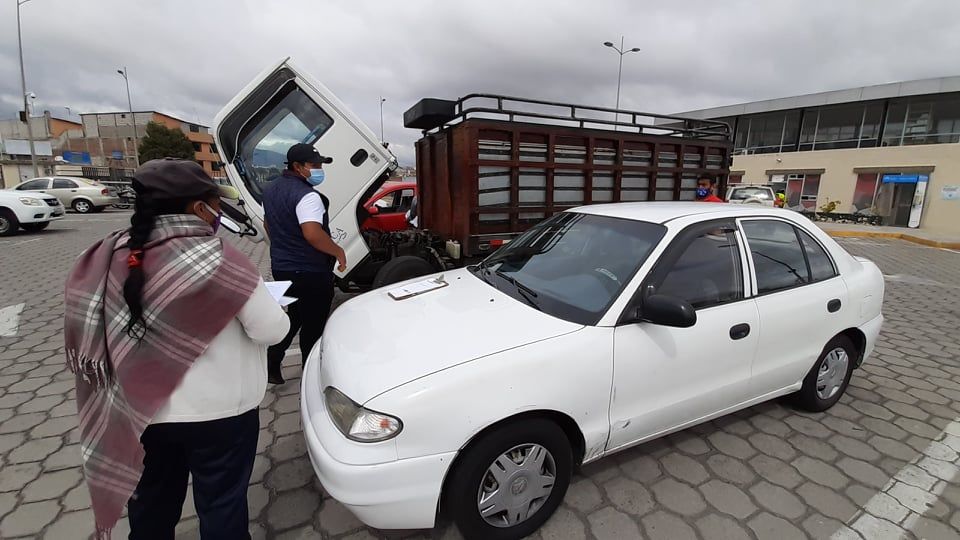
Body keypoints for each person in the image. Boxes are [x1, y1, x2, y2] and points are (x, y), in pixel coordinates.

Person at [64, 158, 290, 539]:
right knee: (222, 508)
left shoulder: (111, 255)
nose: (218, 212)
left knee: (152, 507)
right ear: (199, 207)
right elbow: (271, 329)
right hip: (223, 416)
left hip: (142, 414)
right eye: (215, 203)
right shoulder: (221, 258)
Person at [262, 143, 346, 384]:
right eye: (314, 165)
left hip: (282, 268)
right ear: (297, 167)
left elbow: (268, 224)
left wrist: (284, 244)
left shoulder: (270, 190)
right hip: (311, 272)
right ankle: (311, 378)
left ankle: (272, 364)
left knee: (295, 316)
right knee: (314, 326)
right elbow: (312, 233)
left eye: (320, 165)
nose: (319, 169)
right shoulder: (308, 195)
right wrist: (338, 251)